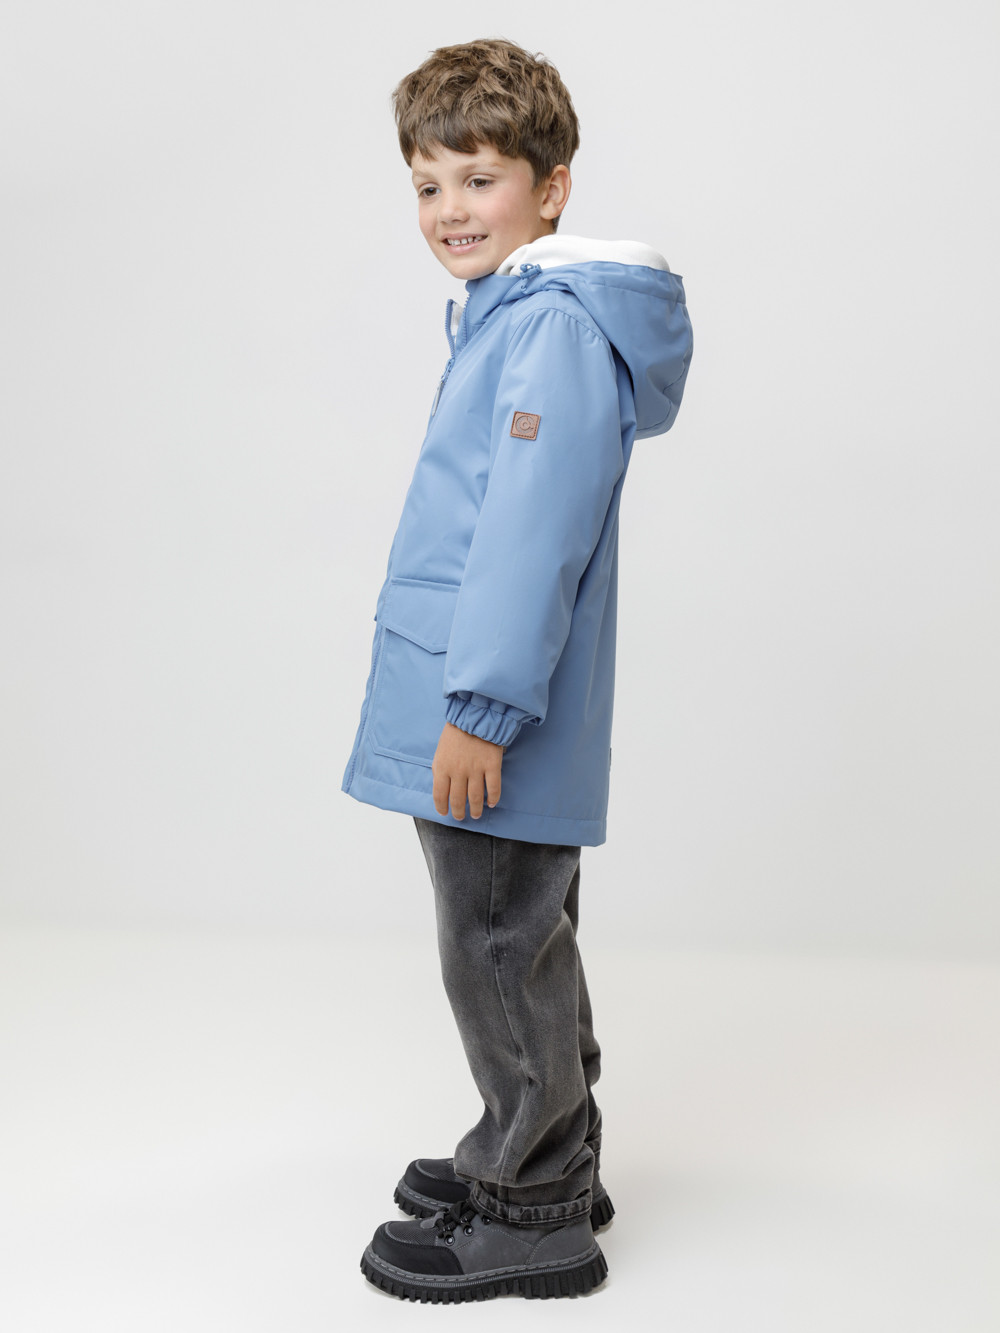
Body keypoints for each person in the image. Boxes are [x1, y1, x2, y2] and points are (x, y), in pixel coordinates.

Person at [342, 37, 693, 1303]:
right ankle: (542, 1150)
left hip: (489, 707)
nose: (449, 209)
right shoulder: (512, 316)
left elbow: (528, 535)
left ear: (551, 187)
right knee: (521, 938)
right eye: (427, 184)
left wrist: (481, 709)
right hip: (472, 690)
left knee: (493, 943)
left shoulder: (546, 329)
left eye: (478, 178)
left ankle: (533, 1202)